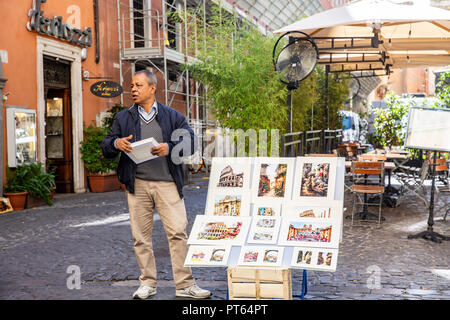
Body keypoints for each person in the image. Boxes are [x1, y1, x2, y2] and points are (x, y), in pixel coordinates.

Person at [101, 70, 211, 299]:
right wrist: (117, 143)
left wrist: (170, 148)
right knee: (140, 237)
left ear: (152, 88)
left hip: (168, 184)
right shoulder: (123, 118)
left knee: (178, 233)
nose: (133, 89)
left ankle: (185, 285)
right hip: (137, 184)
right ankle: (147, 284)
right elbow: (107, 145)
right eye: (131, 85)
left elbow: (190, 142)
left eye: (138, 85)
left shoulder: (173, 116)